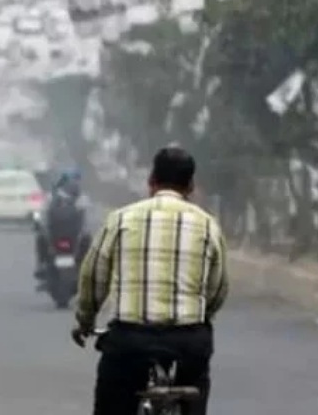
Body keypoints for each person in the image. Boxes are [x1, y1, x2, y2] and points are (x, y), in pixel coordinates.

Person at [71, 146, 228, 415]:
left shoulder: (120, 219)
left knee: (112, 400)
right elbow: (218, 288)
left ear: (151, 181)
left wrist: (85, 320)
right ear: (190, 186)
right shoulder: (208, 225)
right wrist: (201, 316)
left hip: (130, 340)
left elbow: (94, 276)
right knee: (195, 388)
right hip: (188, 342)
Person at [35, 169, 88, 282]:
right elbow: (42, 213)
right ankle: (41, 264)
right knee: (41, 239)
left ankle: (41, 264)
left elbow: (42, 213)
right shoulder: (79, 197)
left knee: (41, 239)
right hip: (62, 233)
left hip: (64, 233)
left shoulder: (52, 196)